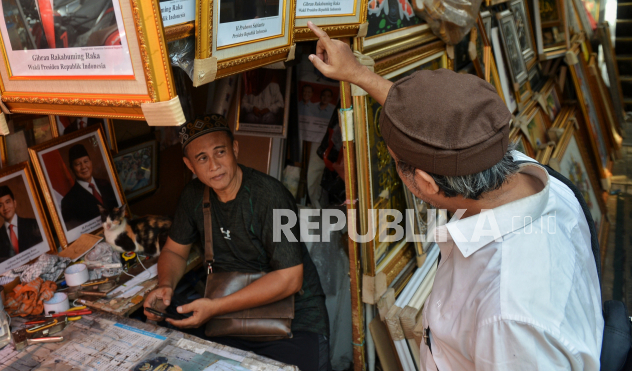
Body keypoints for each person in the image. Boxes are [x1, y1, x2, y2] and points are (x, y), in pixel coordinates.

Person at [305, 21, 603, 370]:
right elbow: (440, 122)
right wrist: (357, 73)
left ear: (426, 184)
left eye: (396, 160)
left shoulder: (511, 316)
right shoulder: (520, 171)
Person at [143, 114, 330, 371]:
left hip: (294, 320)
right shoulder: (193, 197)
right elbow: (175, 250)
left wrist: (215, 307)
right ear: (190, 165)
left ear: (235, 149)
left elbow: (290, 278)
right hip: (229, 314)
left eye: (220, 152)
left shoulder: (270, 196)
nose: (214, 165)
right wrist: (165, 285)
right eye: (202, 158)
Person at [60, 143, 118, 230]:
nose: (83, 167)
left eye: (86, 161)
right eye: (78, 164)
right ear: (71, 168)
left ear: (91, 162)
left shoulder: (105, 184)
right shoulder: (68, 200)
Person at [0, 185, 43, 265]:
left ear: (14, 203)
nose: (5, 208)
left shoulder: (33, 224)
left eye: (7, 202)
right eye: (0, 205)